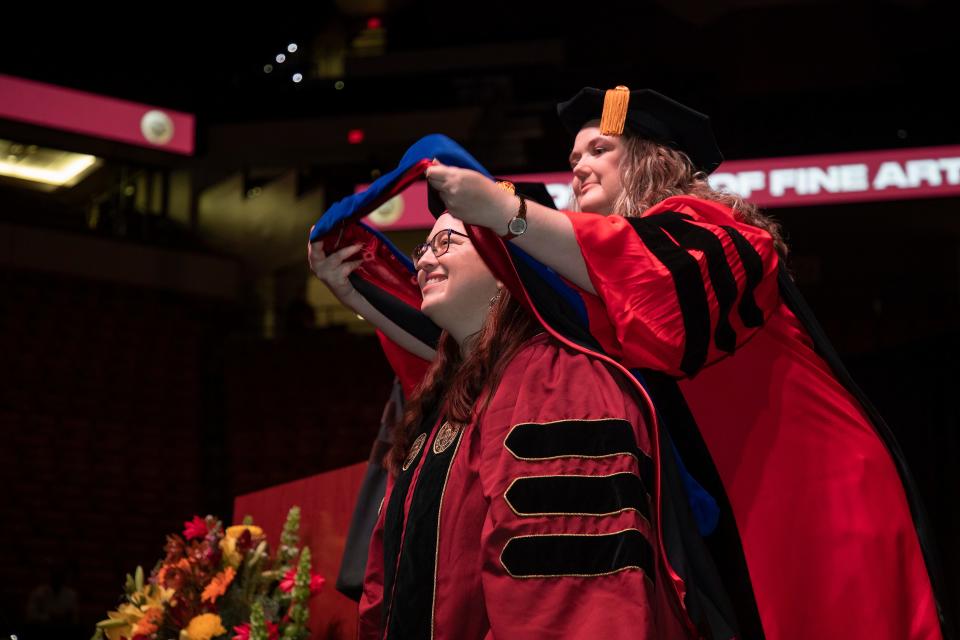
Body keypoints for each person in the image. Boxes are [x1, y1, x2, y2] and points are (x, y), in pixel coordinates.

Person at [422, 86, 949, 639]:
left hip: (814, 492)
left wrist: (506, 211)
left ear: (652, 157)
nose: (579, 166)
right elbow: (487, 339)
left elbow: (661, 302)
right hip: (731, 505)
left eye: (599, 149)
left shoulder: (723, 234)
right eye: (574, 158)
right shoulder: (601, 280)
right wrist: (362, 286)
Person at [357, 211, 695, 639]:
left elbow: (568, 583)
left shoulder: (558, 379)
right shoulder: (442, 399)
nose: (423, 261)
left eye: (446, 243)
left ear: (503, 268)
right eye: (423, 248)